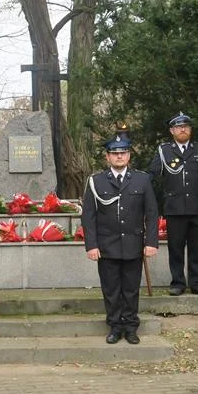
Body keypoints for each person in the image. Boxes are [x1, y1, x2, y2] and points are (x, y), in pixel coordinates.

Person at [81, 131, 159, 345]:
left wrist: (151, 242)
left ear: (129, 156)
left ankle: (131, 327)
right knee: (111, 289)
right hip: (107, 246)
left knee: (131, 288)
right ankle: (115, 326)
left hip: (133, 244)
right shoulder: (96, 182)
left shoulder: (142, 180)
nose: (119, 157)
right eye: (114, 153)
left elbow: (152, 213)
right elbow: (88, 216)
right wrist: (91, 245)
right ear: (107, 157)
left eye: (123, 153)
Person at [147, 112, 198, 296]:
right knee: (176, 247)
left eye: (186, 126)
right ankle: (178, 282)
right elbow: (151, 175)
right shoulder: (164, 151)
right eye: (179, 127)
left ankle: (197, 282)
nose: (183, 129)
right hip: (175, 208)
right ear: (172, 131)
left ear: (190, 129)